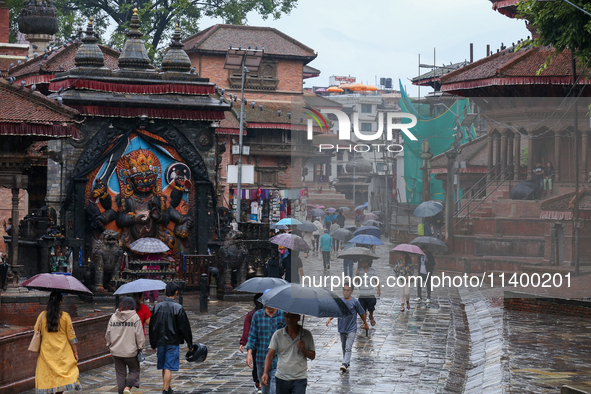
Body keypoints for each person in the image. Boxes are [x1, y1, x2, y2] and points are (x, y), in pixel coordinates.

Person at [149, 282, 193, 394]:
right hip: (172, 340)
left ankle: (167, 387)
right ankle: (165, 390)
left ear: (165, 292)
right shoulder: (178, 308)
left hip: (160, 340)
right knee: (168, 366)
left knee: (164, 365)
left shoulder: (157, 307)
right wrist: (190, 344)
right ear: (176, 293)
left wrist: (152, 342)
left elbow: (152, 326)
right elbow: (185, 327)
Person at [34, 291, 82, 394]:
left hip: (46, 355)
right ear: (60, 302)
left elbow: (36, 331)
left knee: (48, 380)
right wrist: (75, 353)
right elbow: (72, 337)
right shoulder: (65, 316)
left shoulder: (42, 316)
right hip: (62, 355)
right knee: (62, 381)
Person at [262, 313, 315, 393]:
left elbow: (312, 356)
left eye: (292, 316)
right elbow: (270, 355)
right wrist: (265, 372)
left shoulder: (306, 335)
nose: (289, 319)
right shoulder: (278, 334)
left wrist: (303, 349)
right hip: (282, 377)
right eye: (287, 316)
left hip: (299, 378)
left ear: (298, 317)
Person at [105, 296, 145, 394]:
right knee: (134, 370)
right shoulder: (135, 318)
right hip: (131, 352)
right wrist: (140, 348)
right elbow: (139, 335)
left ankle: (121, 392)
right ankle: (127, 388)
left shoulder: (113, 317)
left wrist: (109, 345)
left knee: (120, 374)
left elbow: (108, 334)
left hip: (116, 351)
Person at [326, 284, 369, 372]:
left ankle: (344, 363)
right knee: (344, 346)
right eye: (344, 290)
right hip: (342, 328)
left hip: (351, 328)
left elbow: (362, 313)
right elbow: (335, 311)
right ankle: (347, 361)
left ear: (351, 291)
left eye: (348, 290)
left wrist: (365, 323)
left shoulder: (355, 302)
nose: (345, 292)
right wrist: (330, 319)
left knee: (348, 347)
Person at [246, 303, 285, 394]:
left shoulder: (282, 316)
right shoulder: (257, 316)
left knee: (274, 390)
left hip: (277, 360)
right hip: (261, 359)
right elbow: (252, 336)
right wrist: (249, 353)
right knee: (265, 390)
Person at [240, 294, 264, 393]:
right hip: (263, 343)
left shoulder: (250, 314)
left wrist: (243, 342)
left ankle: (258, 382)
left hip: (255, 345)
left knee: (256, 363)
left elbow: (247, 331)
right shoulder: (258, 315)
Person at [356, 258, 380, 326]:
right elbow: (355, 281)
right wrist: (357, 275)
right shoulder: (359, 271)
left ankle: (371, 316)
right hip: (362, 293)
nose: (364, 264)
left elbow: (376, 279)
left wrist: (379, 289)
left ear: (368, 263)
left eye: (365, 262)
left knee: (371, 306)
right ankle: (365, 322)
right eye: (362, 263)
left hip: (370, 293)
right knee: (362, 309)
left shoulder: (372, 271)